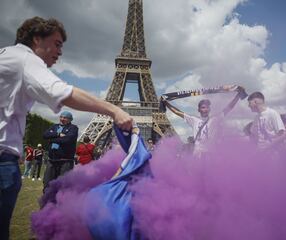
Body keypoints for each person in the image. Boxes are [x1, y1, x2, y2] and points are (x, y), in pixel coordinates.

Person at [0, 17, 132, 240]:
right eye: (57, 43)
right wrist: (114, 110)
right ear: (37, 39)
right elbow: (63, 92)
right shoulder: (25, 59)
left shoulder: (5, 54)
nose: (60, 51)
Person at [164, 85, 244, 156]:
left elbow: (229, 108)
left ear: (209, 109)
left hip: (210, 154)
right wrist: (166, 103)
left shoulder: (215, 119)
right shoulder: (194, 120)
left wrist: (238, 96)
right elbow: (178, 112)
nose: (205, 109)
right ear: (198, 109)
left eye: (207, 107)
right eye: (203, 107)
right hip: (197, 154)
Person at [43, 111, 78, 190]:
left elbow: (68, 140)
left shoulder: (73, 128)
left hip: (65, 161)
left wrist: (51, 139)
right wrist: (58, 135)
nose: (62, 119)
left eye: (65, 118)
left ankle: (61, 201)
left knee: (63, 185)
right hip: (52, 160)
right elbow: (45, 135)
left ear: (70, 119)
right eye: (61, 117)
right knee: (47, 182)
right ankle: (48, 200)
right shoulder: (54, 126)